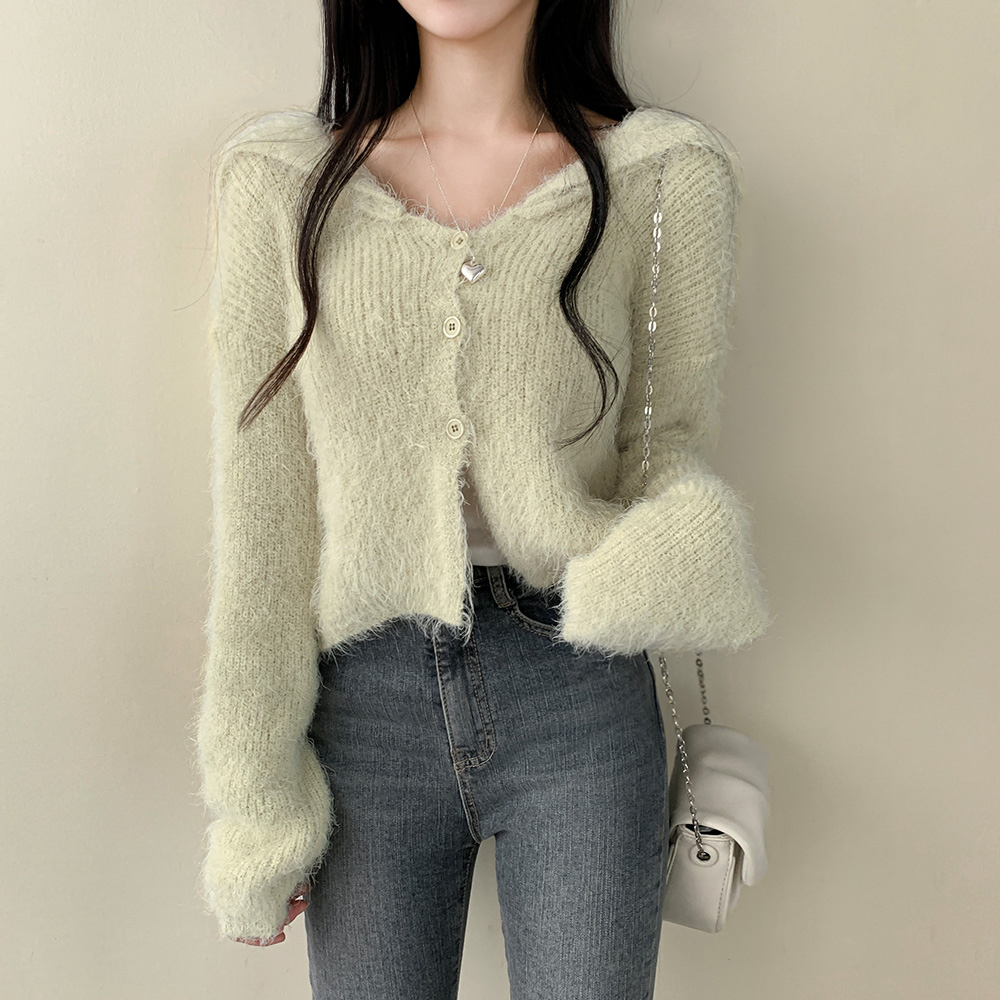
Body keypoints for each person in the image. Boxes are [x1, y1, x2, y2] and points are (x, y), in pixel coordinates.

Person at [193, 0, 773, 995]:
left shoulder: (661, 180)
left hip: (579, 689)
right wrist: (256, 805)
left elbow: (665, 447)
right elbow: (263, 519)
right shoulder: (282, 183)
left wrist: (676, 552)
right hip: (362, 705)